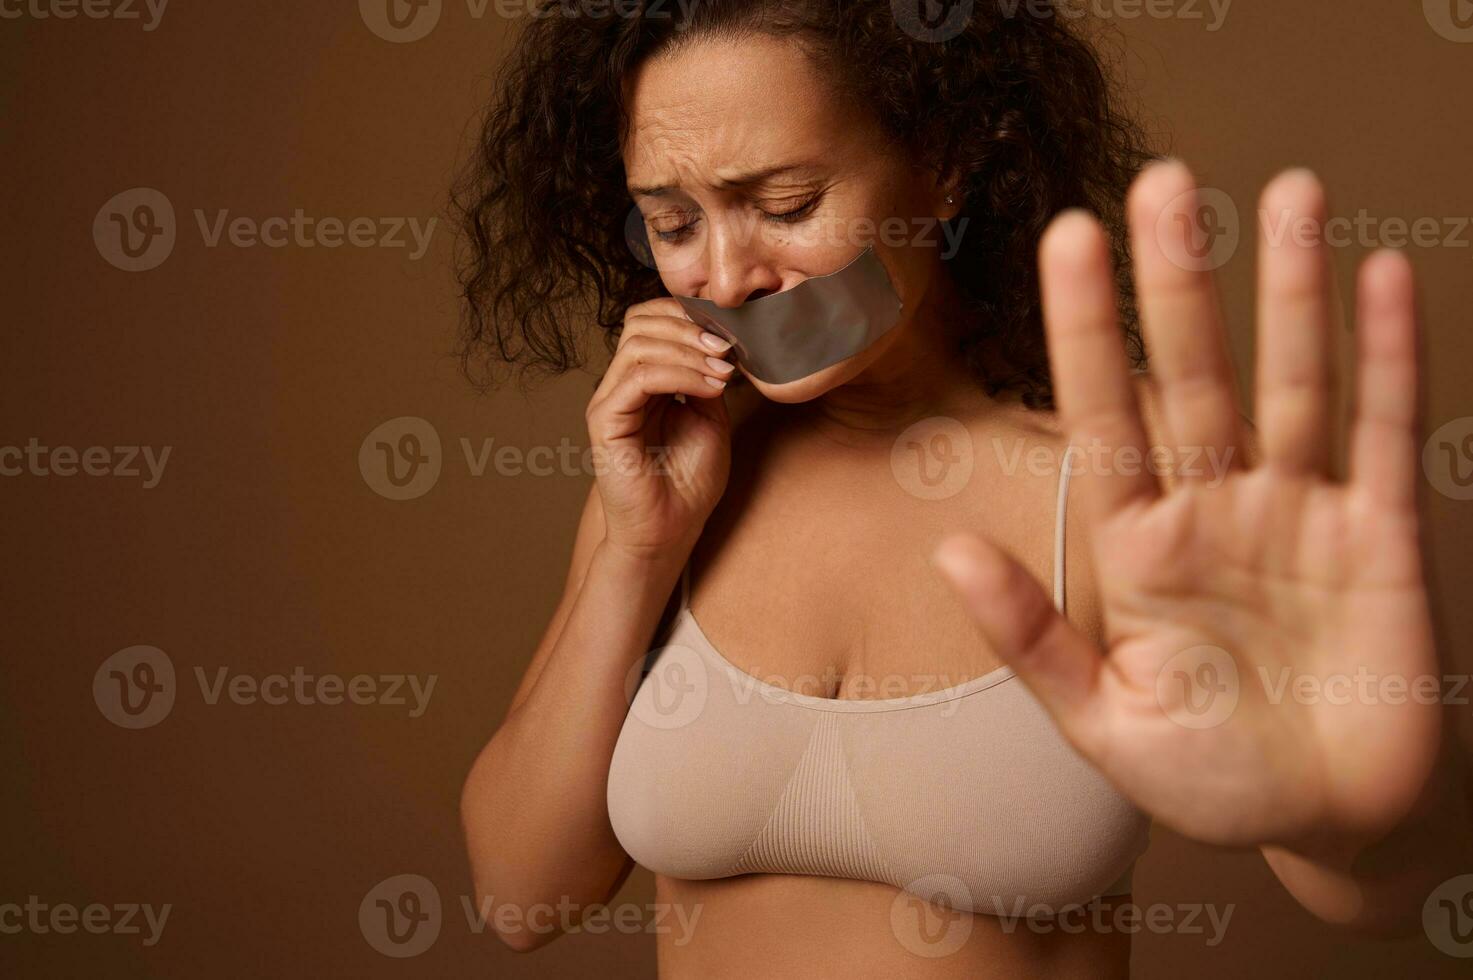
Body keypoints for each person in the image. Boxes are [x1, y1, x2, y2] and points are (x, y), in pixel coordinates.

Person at [454, 3, 1470, 976]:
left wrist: (1357, 810)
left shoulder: (1137, 470)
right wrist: (636, 553)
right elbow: (518, 896)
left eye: (785, 206)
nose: (726, 277)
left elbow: (1399, 890)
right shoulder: (677, 477)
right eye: (672, 223)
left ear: (943, 164)